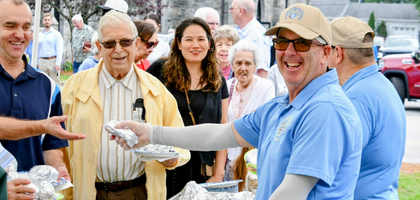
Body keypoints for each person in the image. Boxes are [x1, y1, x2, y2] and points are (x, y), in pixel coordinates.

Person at [114, 4, 364, 199]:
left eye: (301, 42)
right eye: (282, 41)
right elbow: (219, 134)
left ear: (327, 53)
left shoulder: (325, 109)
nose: (289, 51)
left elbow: (290, 194)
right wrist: (151, 133)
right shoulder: (282, 106)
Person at [61, 10, 190, 200]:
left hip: (139, 192)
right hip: (89, 193)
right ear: (99, 46)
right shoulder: (74, 87)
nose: (118, 49)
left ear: (136, 43)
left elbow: (180, 142)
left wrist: (170, 157)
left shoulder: (156, 90)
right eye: (110, 43)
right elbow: (58, 145)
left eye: (125, 42)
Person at [146, 17, 229, 197]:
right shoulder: (160, 70)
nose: (195, 45)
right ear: (179, 43)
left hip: (202, 169)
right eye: (189, 39)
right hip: (167, 165)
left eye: (201, 39)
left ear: (209, 43)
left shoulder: (217, 80)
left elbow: (224, 127)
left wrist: (219, 173)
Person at [328, 16, 407, 200]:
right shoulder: (383, 86)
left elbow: (331, 165)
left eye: (325, 50)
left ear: (338, 53)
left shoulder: (355, 97)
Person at [0, 0, 71, 198]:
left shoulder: (48, 86)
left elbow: (51, 144)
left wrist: (58, 168)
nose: (20, 34)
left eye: (26, 27)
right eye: (10, 26)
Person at [223, 40, 275, 190]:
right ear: (232, 65)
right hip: (229, 161)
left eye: (248, 63)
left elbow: (265, 124)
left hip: (252, 164)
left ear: (255, 66)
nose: (243, 68)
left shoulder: (266, 87)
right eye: (238, 63)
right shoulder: (227, 86)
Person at [229, 0, 271, 78]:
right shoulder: (236, 31)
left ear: (241, 10)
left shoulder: (258, 35)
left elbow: (262, 72)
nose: (230, 11)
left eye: (232, 8)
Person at [37, 13, 63, 85]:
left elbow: (59, 49)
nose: (47, 21)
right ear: (43, 21)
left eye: (48, 20)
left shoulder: (56, 34)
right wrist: (37, 62)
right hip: (42, 61)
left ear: (51, 21)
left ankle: (57, 96)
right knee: (42, 83)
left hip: (52, 61)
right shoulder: (39, 35)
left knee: (55, 83)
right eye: (45, 20)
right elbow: (38, 49)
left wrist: (58, 63)